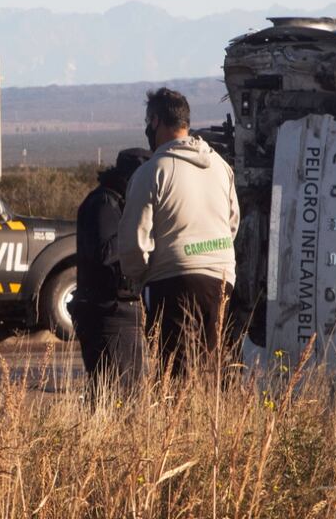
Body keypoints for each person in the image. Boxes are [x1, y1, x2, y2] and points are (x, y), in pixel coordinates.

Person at [117, 88, 240, 376]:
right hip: (221, 278)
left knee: (175, 374)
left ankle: (178, 420)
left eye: (149, 121)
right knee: (209, 371)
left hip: (172, 281)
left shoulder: (152, 171)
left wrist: (137, 276)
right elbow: (233, 221)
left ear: (156, 121)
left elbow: (135, 237)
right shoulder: (220, 167)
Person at [70, 148, 151, 398]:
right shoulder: (105, 203)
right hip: (107, 312)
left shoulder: (111, 202)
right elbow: (105, 252)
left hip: (113, 309)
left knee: (121, 391)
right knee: (118, 392)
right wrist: (140, 232)